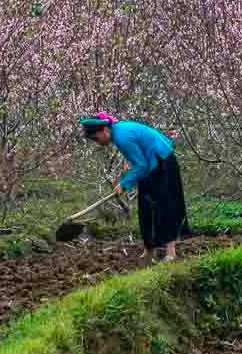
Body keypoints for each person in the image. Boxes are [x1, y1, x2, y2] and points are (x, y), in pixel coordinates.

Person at [79, 110, 188, 261]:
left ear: (104, 130)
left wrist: (124, 184)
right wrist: (130, 171)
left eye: (96, 138)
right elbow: (140, 158)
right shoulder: (118, 131)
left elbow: (141, 166)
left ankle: (171, 253)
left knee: (163, 205)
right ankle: (149, 250)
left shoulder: (122, 136)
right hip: (151, 163)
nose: (98, 142)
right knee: (146, 207)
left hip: (162, 162)